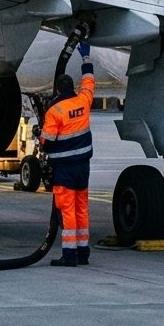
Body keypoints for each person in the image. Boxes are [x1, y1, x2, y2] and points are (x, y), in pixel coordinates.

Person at [41, 42, 96, 266]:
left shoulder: (55, 111)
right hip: (83, 166)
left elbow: (46, 141)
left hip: (64, 169)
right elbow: (89, 81)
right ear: (71, 87)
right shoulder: (84, 100)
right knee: (82, 208)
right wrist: (86, 57)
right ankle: (84, 253)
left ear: (57, 91)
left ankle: (70, 254)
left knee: (67, 211)